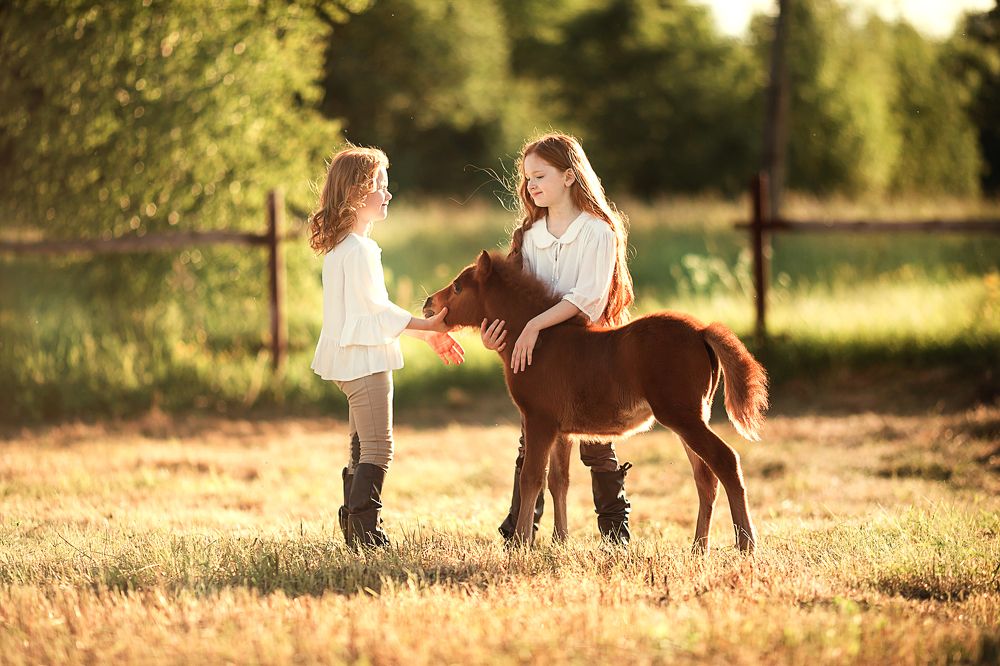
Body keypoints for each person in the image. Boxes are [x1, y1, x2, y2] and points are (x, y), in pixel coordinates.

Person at [482, 132, 636, 545]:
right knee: (532, 438)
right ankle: (522, 530)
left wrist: (535, 325)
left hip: (591, 352)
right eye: (527, 177)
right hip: (545, 360)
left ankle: (614, 532)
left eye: (540, 175)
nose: (531, 185)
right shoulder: (531, 237)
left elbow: (588, 299)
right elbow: (518, 302)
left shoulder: (597, 231)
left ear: (569, 176)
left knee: (596, 445)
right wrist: (499, 335)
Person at [308, 146, 465, 549]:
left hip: (353, 359)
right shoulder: (358, 252)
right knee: (379, 447)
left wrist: (425, 333)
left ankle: (353, 528)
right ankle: (365, 535)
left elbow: (371, 316)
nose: (388, 194)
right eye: (380, 186)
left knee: (361, 446)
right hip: (366, 361)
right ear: (355, 194)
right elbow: (374, 316)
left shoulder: (343, 247)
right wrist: (427, 324)